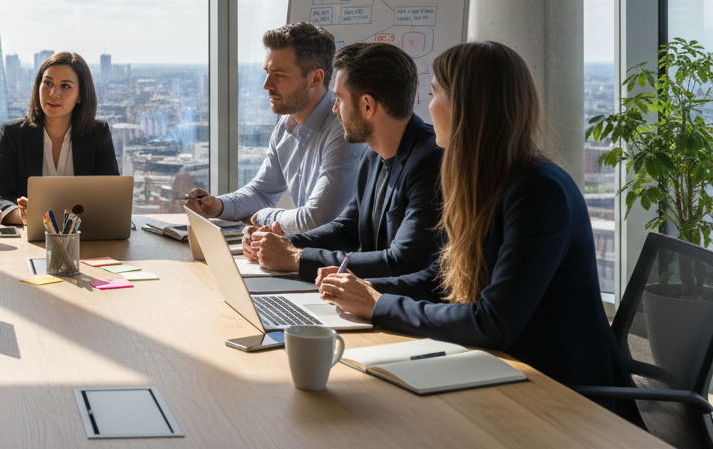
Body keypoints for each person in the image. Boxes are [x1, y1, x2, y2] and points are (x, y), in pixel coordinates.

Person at [316, 41, 637, 418]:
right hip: (502, 371)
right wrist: (364, 291)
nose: (427, 107)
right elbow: (442, 279)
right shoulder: (483, 182)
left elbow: (493, 322)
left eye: (434, 94)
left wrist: (378, 305)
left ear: (466, 107)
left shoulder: (538, 192)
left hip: (563, 396)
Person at [243, 42, 443, 282]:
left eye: (339, 99)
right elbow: (347, 229)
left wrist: (296, 258)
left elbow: (404, 260)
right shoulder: (373, 155)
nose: (335, 110)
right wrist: (277, 243)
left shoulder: (431, 163)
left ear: (367, 105)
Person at [185, 22, 364, 233]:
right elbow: (262, 192)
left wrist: (262, 217)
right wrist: (219, 206)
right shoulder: (286, 125)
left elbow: (317, 219)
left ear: (315, 78)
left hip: (340, 261)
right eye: (267, 72)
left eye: (279, 75)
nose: (267, 85)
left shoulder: (343, 130)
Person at [0, 51, 120, 226]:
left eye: (65, 86)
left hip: (85, 237)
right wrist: (24, 215)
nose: (53, 93)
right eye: (48, 83)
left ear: (80, 95)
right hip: (33, 239)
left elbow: (111, 197)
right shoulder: (13, 133)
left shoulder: (98, 134)